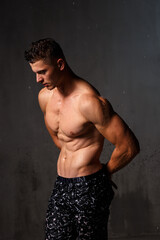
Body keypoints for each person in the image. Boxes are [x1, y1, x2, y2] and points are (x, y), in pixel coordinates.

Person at [24, 38, 140, 240]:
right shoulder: (45, 97)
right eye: (35, 73)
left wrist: (105, 174)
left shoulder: (89, 102)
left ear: (60, 64)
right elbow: (60, 138)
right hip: (61, 184)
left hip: (89, 186)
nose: (38, 80)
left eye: (42, 72)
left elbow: (129, 146)